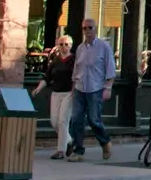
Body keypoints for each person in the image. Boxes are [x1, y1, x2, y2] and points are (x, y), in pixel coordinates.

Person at [67, 18, 115, 161]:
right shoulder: (80, 48)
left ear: (95, 29)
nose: (87, 31)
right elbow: (76, 70)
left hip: (96, 88)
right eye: (84, 28)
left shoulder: (104, 47)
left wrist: (108, 87)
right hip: (80, 88)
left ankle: (105, 142)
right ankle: (78, 151)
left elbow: (110, 69)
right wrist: (73, 89)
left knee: (94, 119)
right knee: (76, 120)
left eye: (90, 28)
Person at [38, 33, 75, 160]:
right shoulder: (55, 61)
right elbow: (47, 78)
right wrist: (38, 88)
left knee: (62, 121)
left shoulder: (74, 60)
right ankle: (70, 141)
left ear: (70, 46)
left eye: (66, 44)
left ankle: (60, 150)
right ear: (57, 46)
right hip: (56, 92)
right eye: (61, 44)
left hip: (68, 93)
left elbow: (77, 76)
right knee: (54, 122)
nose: (64, 47)